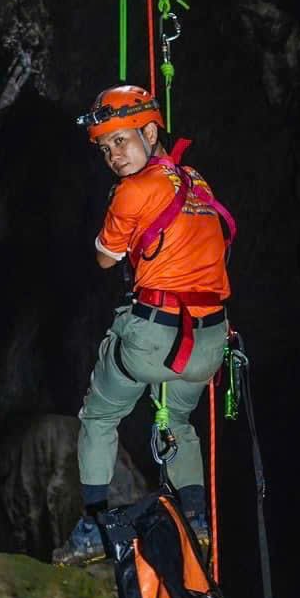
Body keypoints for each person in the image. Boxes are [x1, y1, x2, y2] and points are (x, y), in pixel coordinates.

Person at [53, 85, 237, 566]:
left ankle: (95, 523)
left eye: (121, 141)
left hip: (153, 338)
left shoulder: (132, 191)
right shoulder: (196, 181)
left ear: (151, 131)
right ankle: (195, 519)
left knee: (99, 417)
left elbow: (103, 258)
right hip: (209, 343)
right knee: (178, 421)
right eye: (105, 147)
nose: (114, 155)